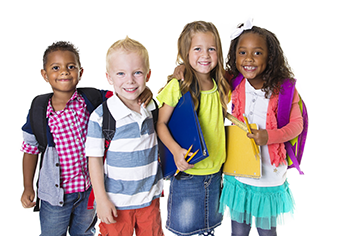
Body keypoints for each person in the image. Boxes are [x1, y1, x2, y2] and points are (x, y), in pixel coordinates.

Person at [20, 41, 152, 236]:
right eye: (56, 68)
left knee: (84, 232)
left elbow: (124, 95)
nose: (64, 72)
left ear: (80, 72)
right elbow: (30, 151)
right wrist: (27, 186)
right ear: (44, 74)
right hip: (55, 196)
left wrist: (144, 91)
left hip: (89, 192)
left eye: (71, 67)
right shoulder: (39, 110)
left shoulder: (91, 99)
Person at [219, 20, 303, 236]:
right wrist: (181, 68)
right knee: (238, 231)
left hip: (269, 174)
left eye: (257, 53)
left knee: (266, 231)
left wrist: (269, 136)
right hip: (239, 171)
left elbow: (297, 125)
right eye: (242, 52)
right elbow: (205, 75)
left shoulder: (284, 89)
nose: (248, 59)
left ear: (270, 57)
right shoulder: (235, 81)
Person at [157, 21, 230, 236]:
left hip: (216, 174)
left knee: (208, 229)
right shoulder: (178, 86)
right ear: (185, 53)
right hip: (189, 173)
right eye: (197, 49)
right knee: (187, 231)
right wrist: (175, 151)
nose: (205, 55)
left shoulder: (220, 84)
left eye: (211, 49)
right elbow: (160, 124)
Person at [85, 37, 164, 236]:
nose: (129, 80)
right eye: (121, 73)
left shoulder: (152, 107)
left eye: (137, 73)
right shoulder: (101, 117)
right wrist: (101, 200)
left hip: (149, 199)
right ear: (109, 77)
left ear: (148, 75)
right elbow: (93, 161)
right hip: (116, 203)